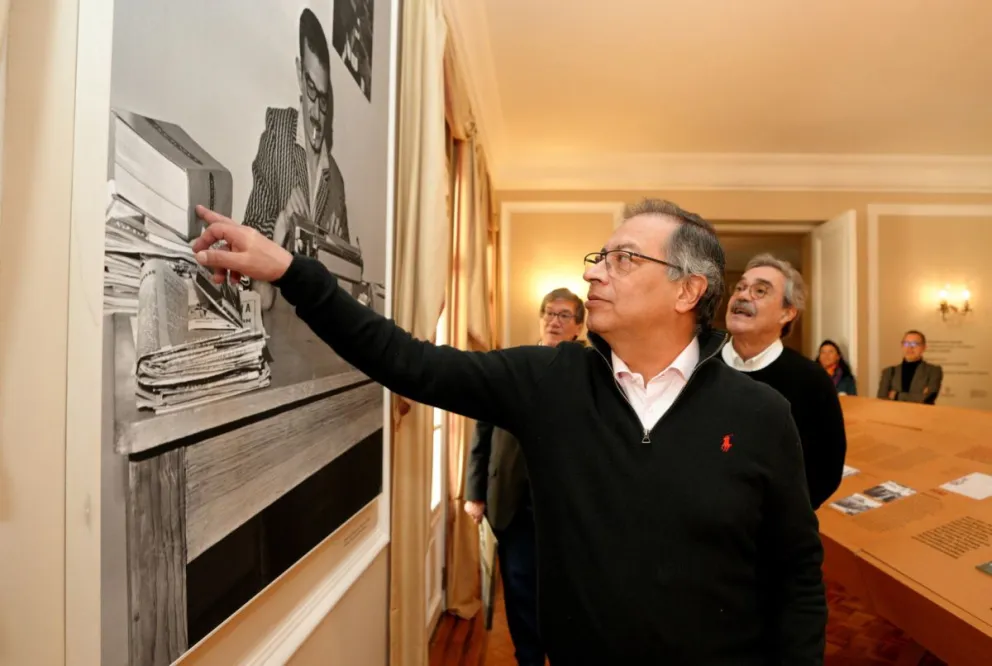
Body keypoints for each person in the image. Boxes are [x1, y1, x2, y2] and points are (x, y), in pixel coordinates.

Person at [191, 198, 827, 664]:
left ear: (688, 289)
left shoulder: (760, 415)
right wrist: (292, 272)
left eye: (624, 258)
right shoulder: (549, 379)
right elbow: (409, 361)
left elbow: (796, 572)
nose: (595, 273)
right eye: (600, 257)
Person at [464, 288, 585, 666]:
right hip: (513, 504)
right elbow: (482, 430)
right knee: (517, 590)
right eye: (549, 313)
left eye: (565, 315)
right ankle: (528, 659)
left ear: (579, 327)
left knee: (566, 594)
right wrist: (475, 491)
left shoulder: (592, 374)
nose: (554, 320)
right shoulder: (510, 366)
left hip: (567, 510)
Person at [721, 254, 847, 510]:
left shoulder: (811, 380)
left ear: (787, 313)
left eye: (760, 291)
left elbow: (824, 470)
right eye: (741, 287)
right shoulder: (695, 365)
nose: (743, 296)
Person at [243, 8, 349, 310]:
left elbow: (343, 295)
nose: (316, 113)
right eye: (311, 92)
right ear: (299, 76)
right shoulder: (278, 133)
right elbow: (257, 296)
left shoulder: (337, 181)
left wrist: (337, 250)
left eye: (324, 100)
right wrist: (280, 227)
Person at [876, 330, 943, 404]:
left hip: (922, 414)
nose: (910, 348)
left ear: (924, 347)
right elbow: (882, 400)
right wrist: (918, 396)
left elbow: (928, 398)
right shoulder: (889, 372)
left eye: (915, 344)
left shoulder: (933, 371)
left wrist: (897, 395)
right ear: (901, 346)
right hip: (893, 414)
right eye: (906, 343)